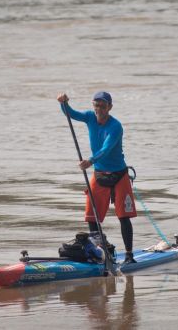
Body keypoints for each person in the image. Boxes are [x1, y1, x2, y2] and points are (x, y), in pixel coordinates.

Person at [57, 91, 137, 264]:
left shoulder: (115, 126)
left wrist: (90, 161)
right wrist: (63, 103)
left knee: (123, 217)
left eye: (102, 105)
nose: (99, 109)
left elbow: (107, 148)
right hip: (99, 174)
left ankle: (129, 256)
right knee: (91, 215)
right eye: (96, 105)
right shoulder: (89, 117)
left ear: (110, 107)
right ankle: (99, 252)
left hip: (119, 174)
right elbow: (71, 114)